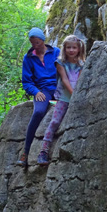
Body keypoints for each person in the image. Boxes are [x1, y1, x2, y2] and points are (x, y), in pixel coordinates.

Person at [37, 34, 86, 166]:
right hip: (64, 98)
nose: (71, 50)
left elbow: (81, 80)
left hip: (78, 97)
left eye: (74, 48)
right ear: (64, 49)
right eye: (68, 47)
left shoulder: (82, 64)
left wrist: (78, 95)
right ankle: (43, 151)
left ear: (79, 49)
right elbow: (64, 79)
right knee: (55, 121)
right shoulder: (60, 63)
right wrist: (73, 93)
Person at [16, 27, 60, 167]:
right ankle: (26, 152)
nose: (35, 46)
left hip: (58, 88)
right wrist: (36, 92)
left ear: (43, 41)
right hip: (42, 90)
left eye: (38, 43)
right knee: (39, 112)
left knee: (62, 108)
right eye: (32, 43)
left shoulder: (56, 52)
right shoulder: (28, 58)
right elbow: (27, 81)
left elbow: (66, 70)